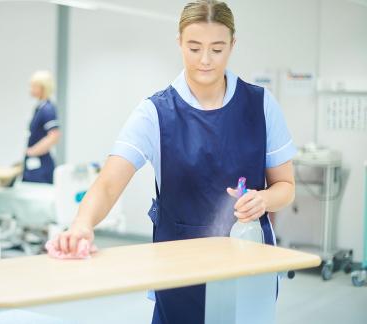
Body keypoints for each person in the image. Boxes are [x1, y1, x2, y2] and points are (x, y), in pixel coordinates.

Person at [53, 1, 297, 323]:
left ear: (233, 45)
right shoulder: (155, 112)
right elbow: (109, 184)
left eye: (217, 48)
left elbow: (286, 187)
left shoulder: (261, 105)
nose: (206, 60)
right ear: (179, 42)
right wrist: (82, 224)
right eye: (194, 48)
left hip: (247, 264)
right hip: (178, 269)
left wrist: (264, 198)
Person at [22, 70, 61, 184]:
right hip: (33, 164)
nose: (31, 89)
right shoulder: (40, 107)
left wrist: (32, 152)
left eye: (34, 86)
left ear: (43, 87)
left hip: (41, 166)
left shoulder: (47, 109)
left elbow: (54, 136)